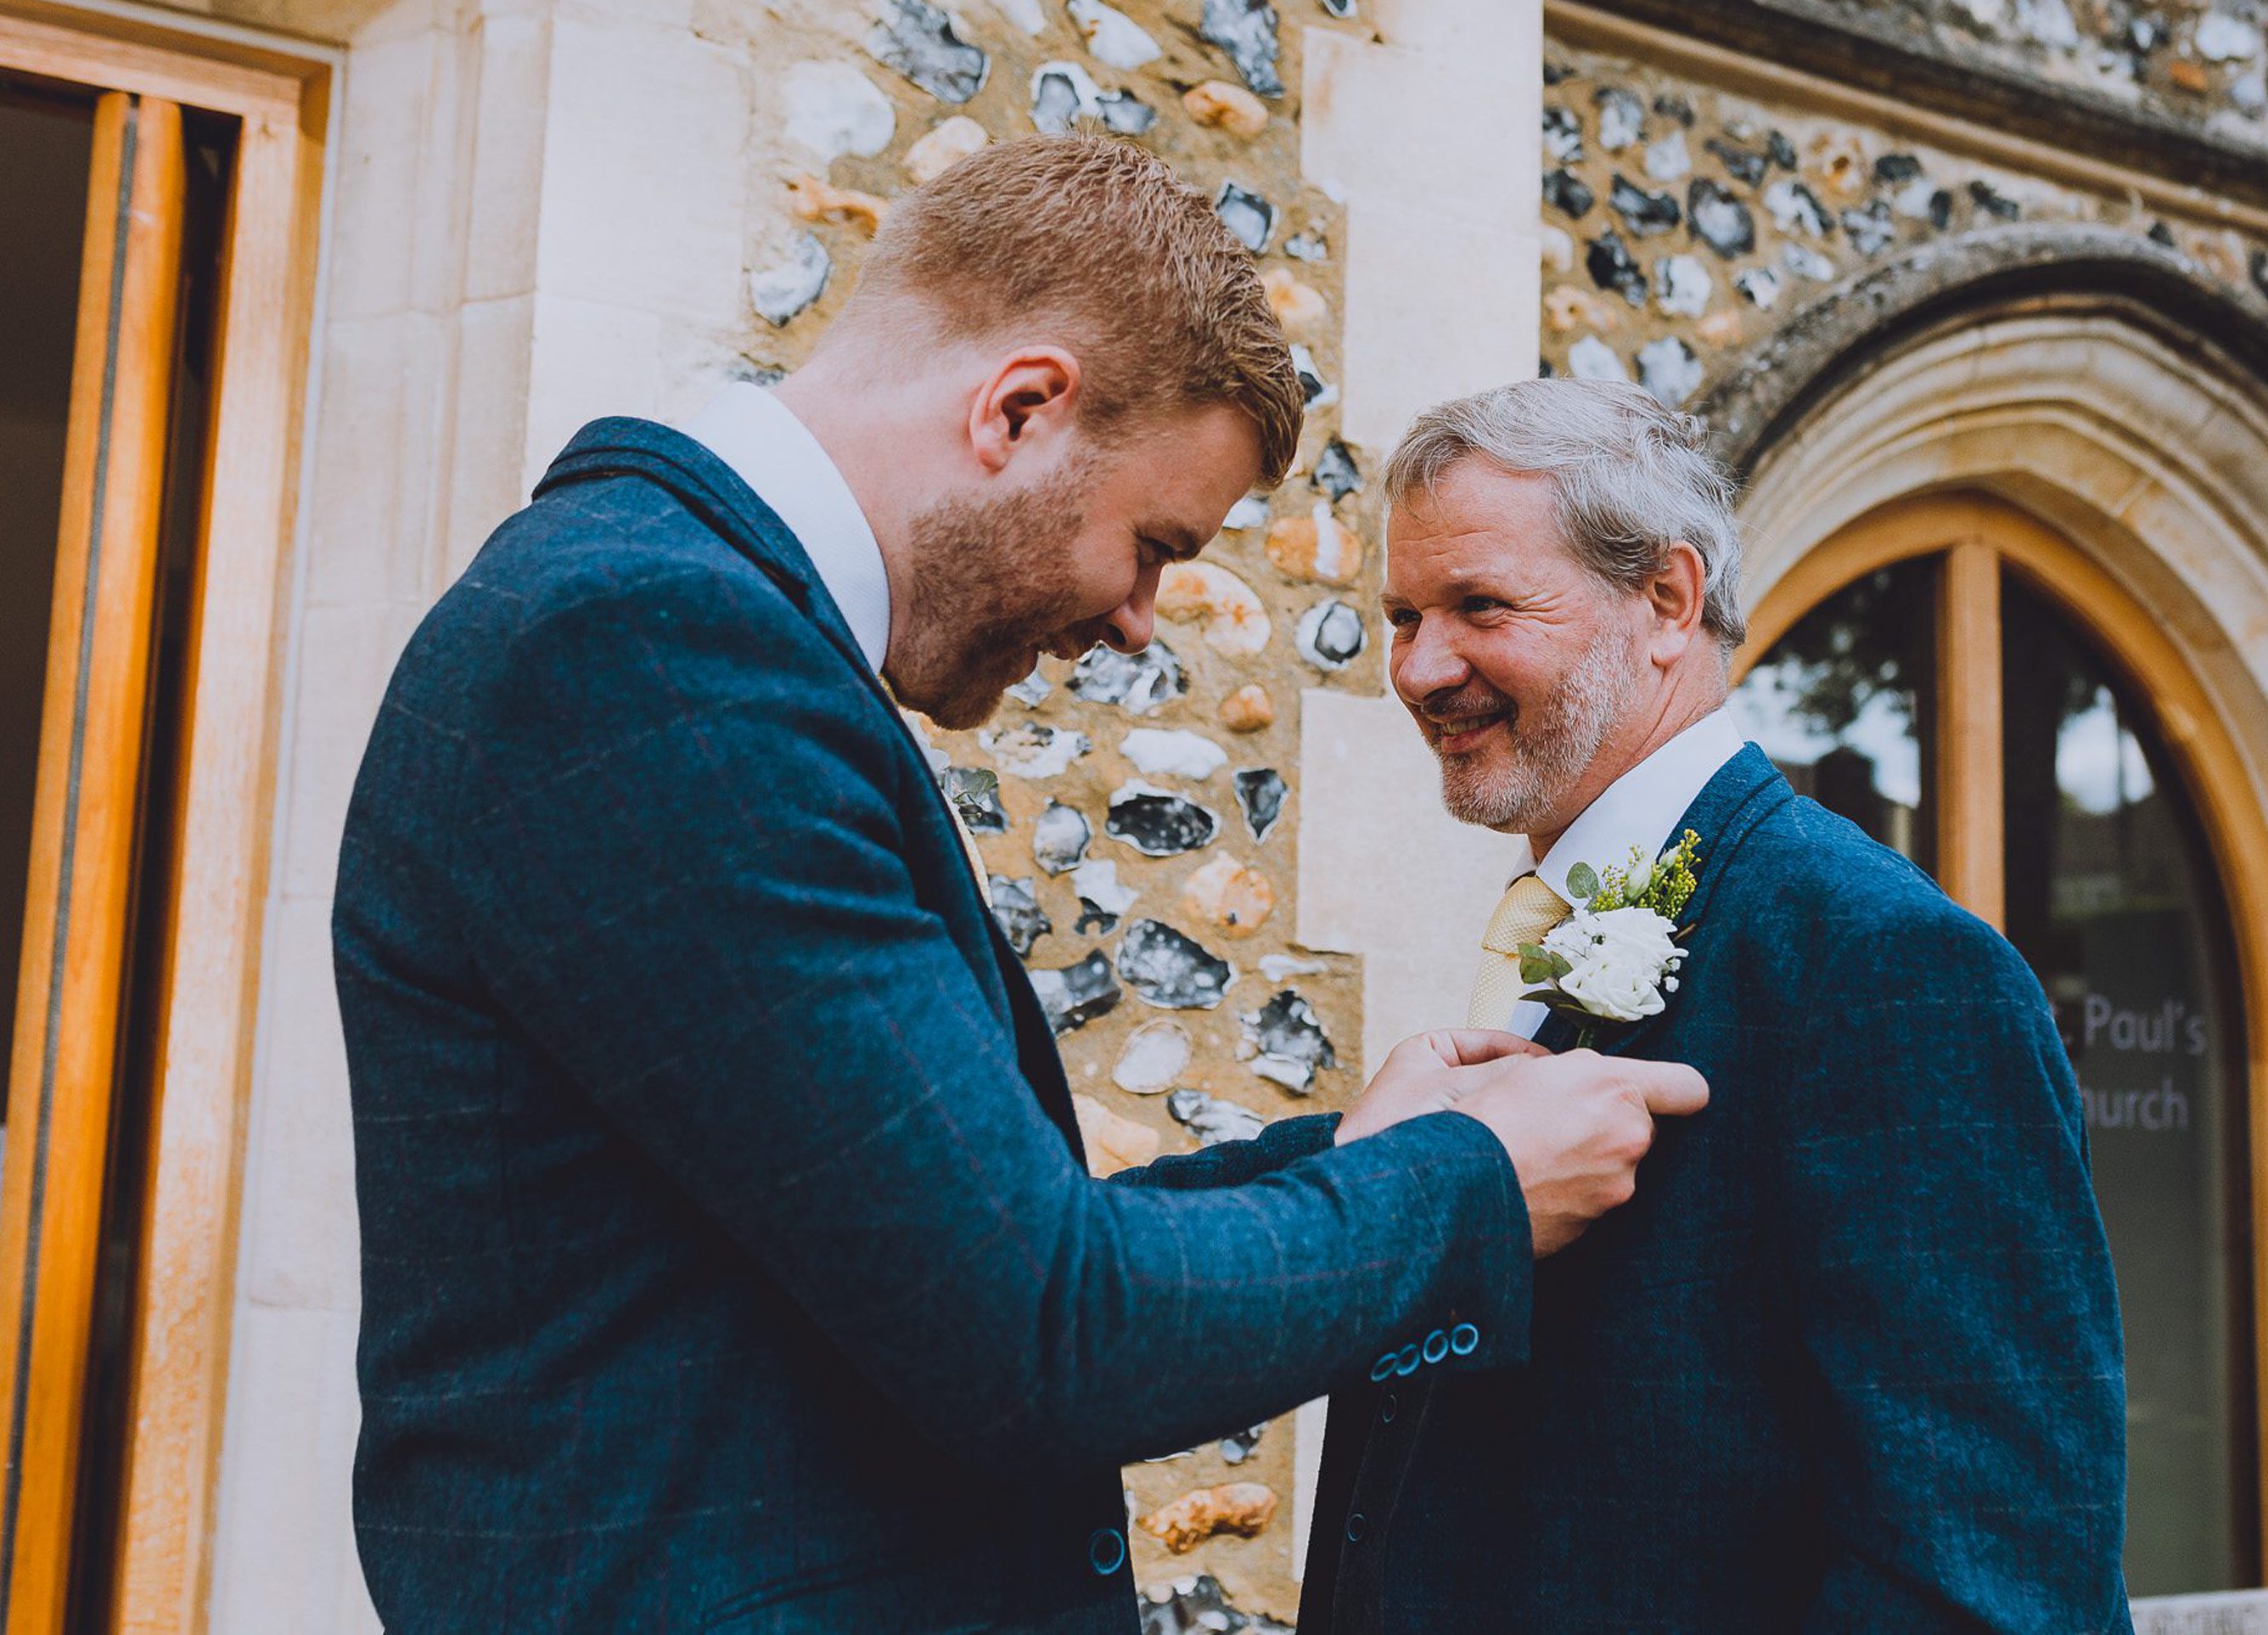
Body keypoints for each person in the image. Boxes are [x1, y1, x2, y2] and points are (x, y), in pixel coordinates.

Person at [332, 135, 1707, 1632]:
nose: (1136, 623)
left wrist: (1362, 1149)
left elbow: (937, 1235)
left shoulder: (688, 625)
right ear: (1022, 409)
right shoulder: (652, 650)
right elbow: (1040, 1331)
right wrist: (1471, 1192)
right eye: (1150, 545)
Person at [1299, 378, 2133, 1632]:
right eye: (1402, 615)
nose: (1420, 668)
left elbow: (1983, 1587)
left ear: (1668, 602)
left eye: (1479, 606)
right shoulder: (1553, 929)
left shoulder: (1888, 969)